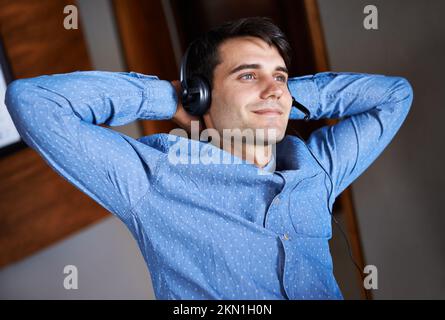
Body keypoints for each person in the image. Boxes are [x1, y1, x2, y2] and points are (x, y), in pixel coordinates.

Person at [5, 16, 413, 300]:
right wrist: (167, 96)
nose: (274, 88)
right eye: (249, 75)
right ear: (201, 94)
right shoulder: (153, 179)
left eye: (281, 75)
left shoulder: (317, 168)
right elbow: (35, 103)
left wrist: (286, 95)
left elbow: (395, 96)